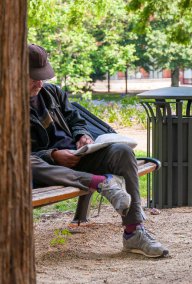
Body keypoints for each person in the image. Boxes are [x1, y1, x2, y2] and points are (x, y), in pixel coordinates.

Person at [29, 43, 168, 258]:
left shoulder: (52, 93)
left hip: (77, 159)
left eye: (42, 76)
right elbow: (14, 153)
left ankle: (134, 232)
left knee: (122, 151)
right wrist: (52, 155)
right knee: (22, 162)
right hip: (40, 168)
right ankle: (101, 183)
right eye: (32, 77)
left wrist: (82, 136)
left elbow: (76, 119)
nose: (39, 82)